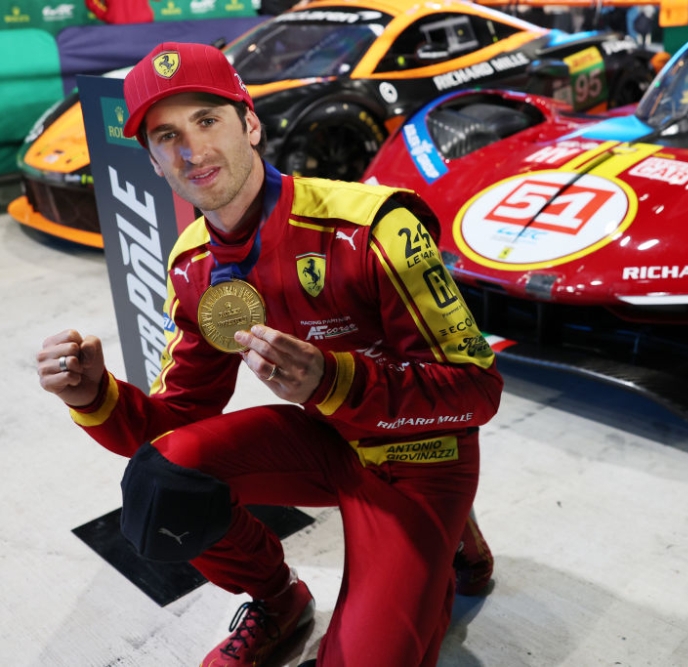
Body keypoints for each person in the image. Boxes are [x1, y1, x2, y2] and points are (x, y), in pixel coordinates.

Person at [36, 41, 503, 667]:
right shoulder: (193, 264)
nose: (191, 150)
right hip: (326, 440)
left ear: (250, 125)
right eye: (167, 136)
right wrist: (95, 396)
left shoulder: (373, 227)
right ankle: (279, 599)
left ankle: (446, 539)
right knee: (162, 482)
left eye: (207, 120)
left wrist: (334, 380)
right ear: (152, 160)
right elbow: (177, 419)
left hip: (422, 456)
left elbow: (478, 391)